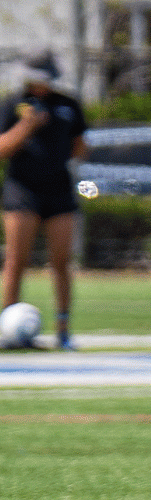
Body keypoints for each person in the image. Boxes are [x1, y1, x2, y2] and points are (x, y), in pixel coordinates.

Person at [0, 51, 88, 349]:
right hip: (21, 189)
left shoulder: (68, 105)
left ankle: (63, 330)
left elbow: (80, 146)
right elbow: (2, 148)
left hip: (58, 189)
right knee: (16, 260)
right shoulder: (13, 105)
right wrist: (28, 126)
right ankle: (7, 329)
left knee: (62, 261)